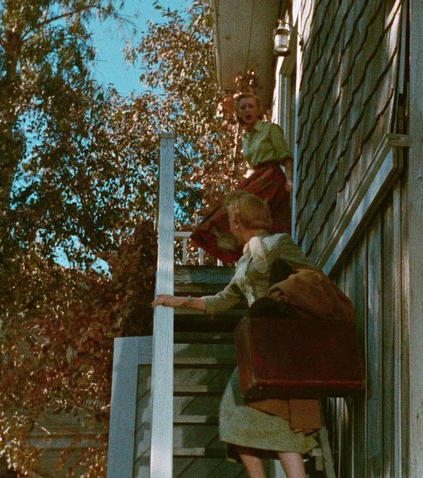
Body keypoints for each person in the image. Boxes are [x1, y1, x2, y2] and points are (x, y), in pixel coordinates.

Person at [153, 190, 317, 478]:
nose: (229, 226)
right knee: (233, 416)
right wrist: (179, 301)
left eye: (230, 219)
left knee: (281, 416)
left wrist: (281, 296)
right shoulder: (244, 261)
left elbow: (312, 278)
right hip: (257, 344)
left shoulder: (278, 243)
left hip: (282, 340)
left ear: (239, 221)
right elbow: (223, 300)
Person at [190, 93, 293, 264]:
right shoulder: (246, 138)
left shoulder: (270, 129)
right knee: (231, 204)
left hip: (271, 177)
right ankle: (231, 238)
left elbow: (285, 156)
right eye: (243, 108)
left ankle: (232, 239)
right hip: (257, 175)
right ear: (238, 113)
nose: (247, 110)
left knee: (242, 207)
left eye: (251, 106)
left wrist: (289, 180)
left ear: (258, 110)